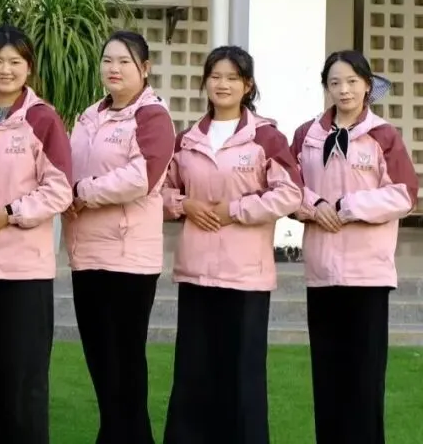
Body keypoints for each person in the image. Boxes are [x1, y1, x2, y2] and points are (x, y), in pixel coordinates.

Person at [161, 46, 303, 444]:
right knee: (193, 374)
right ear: (205, 82)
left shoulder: (266, 137)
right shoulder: (187, 140)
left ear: (248, 85)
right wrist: (184, 204)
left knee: (243, 376)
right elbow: (159, 192)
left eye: (232, 78)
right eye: (215, 76)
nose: (222, 84)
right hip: (196, 272)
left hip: (245, 277)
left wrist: (236, 210)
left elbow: (289, 194)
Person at [291, 50, 417, 444]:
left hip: (367, 273)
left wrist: (347, 207)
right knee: (327, 377)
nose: (343, 90)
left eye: (351, 82)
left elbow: (404, 194)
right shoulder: (307, 135)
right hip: (322, 272)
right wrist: (315, 206)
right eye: (335, 83)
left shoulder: (384, 135)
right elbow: (288, 187)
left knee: (363, 379)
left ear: (367, 85)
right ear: (326, 88)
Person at [0, 26, 73, 444]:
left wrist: (9, 214)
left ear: (29, 67)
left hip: (25, 271)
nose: (5, 70)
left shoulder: (43, 119)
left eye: (14, 62)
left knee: (24, 381)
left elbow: (59, 189)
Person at [65, 29, 174, 444]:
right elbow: (70, 168)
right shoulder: (89, 116)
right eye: (108, 60)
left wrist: (82, 192)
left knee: (123, 366)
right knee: (101, 364)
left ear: (144, 68)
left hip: (128, 259)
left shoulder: (152, 116)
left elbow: (143, 177)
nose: (114, 68)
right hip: (86, 253)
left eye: (124, 61)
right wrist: (65, 191)